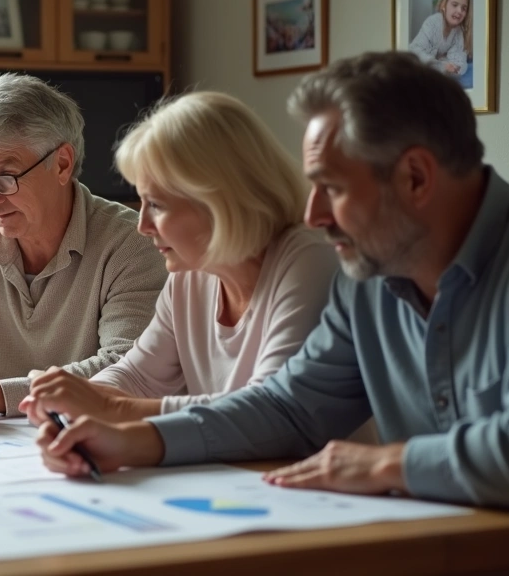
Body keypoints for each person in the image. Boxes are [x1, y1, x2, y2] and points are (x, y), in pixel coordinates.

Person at [36, 50, 509, 509]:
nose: (314, 213)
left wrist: (389, 464)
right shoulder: (367, 277)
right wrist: (132, 442)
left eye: (331, 188)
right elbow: (289, 408)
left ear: (415, 177)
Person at [20, 92, 337, 425]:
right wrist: (73, 407)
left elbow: (267, 409)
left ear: (219, 200)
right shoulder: (191, 273)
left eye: (156, 204)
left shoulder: (307, 261)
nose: (142, 226)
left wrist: (108, 409)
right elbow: (137, 377)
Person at [0, 73, 167, 420]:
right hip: (3, 444)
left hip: (96, 433)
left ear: (62, 164)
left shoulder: (131, 243)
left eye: (4, 178)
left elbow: (126, 369)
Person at [409, 0, 472, 78]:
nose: (459, 11)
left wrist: (446, 64)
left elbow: (459, 63)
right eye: (455, 5)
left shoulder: (458, 32)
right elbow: (415, 51)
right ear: (444, 4)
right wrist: (441, 64)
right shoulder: (433, 23)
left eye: (464, 8)